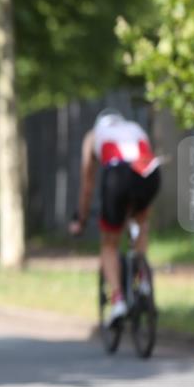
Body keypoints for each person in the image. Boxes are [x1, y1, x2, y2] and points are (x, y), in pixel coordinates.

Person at [70, 108, 161, 325]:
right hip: (149, 171)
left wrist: (80, 218)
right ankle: (144, 280)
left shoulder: (93, 136)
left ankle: (118, 300)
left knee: (109, 244)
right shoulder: (135, 128)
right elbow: (145, 156)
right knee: (141, 221)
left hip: (117, 175)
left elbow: (88, 184)